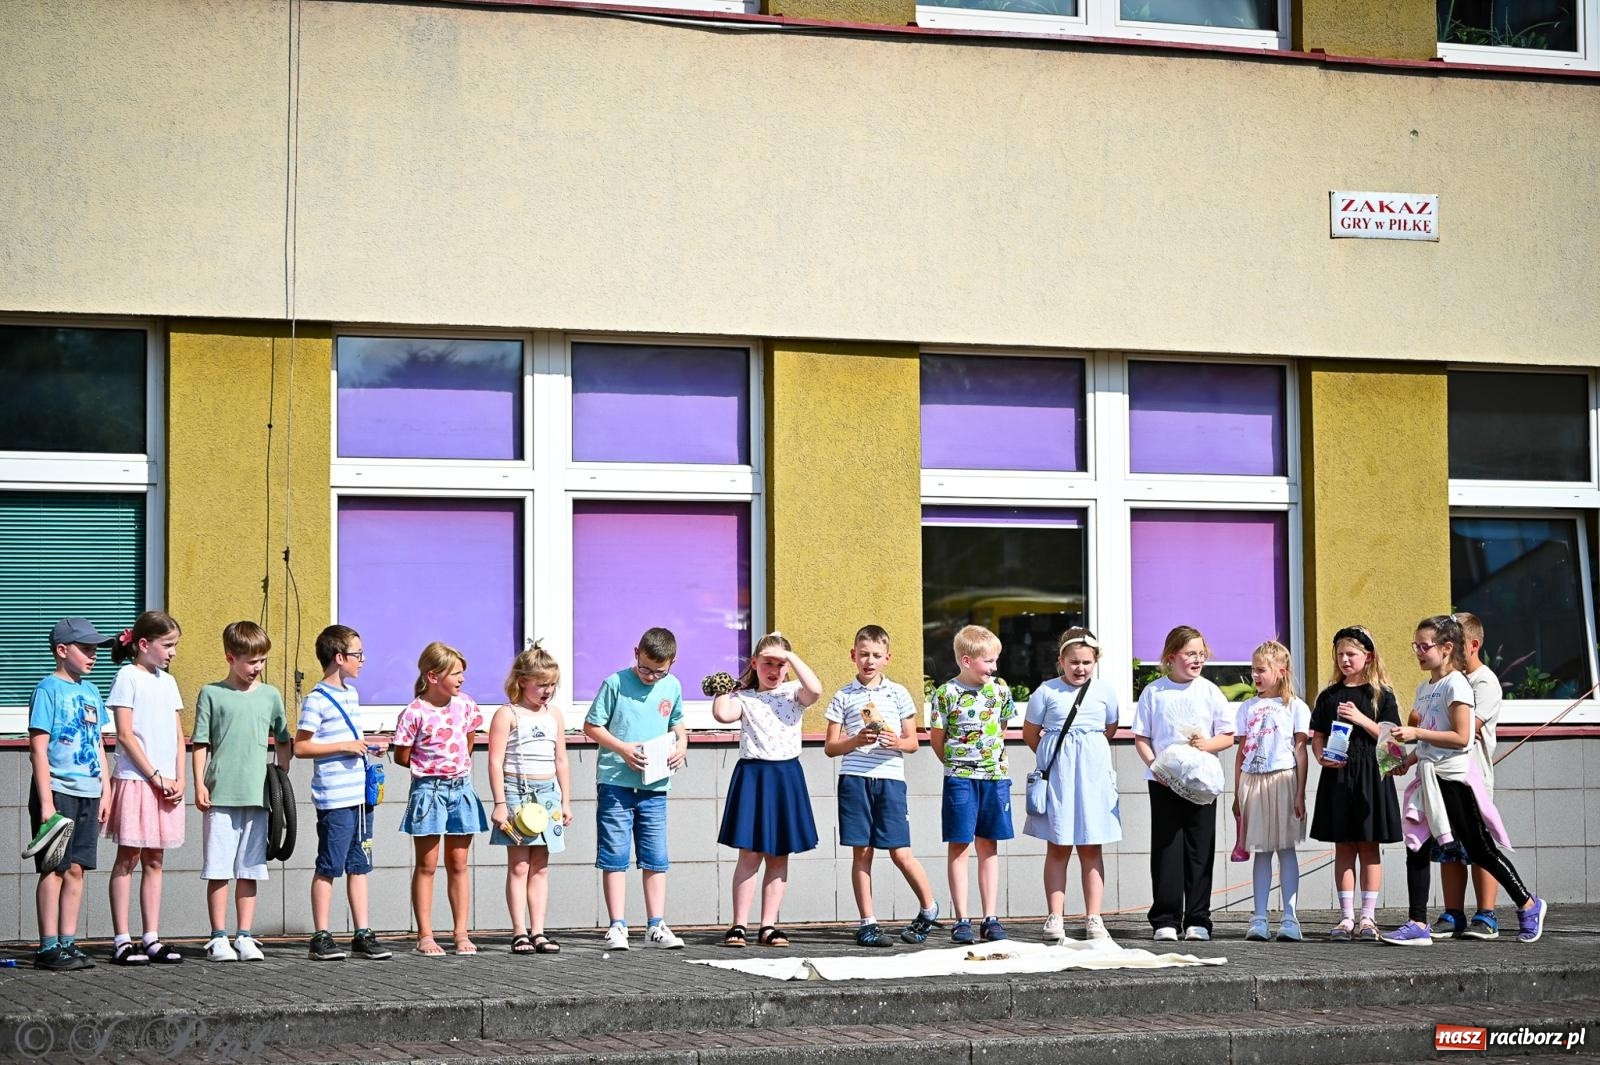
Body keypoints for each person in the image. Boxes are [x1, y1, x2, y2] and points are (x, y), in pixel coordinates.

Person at [1381, 615, 1546, 946]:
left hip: (1455, 779)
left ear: (1446, 648)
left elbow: (1462, 737)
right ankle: (1417, 922)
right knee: (1417, 846)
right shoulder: (1424, 688)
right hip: (1428, 780)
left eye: (1424, 646)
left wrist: (1415, 732)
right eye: (1416, 645)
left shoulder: (1458, 685)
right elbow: (1428, 741)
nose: (1418, 652)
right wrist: (1404, 761)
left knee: (1480, 849)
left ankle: (1529, 904)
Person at [822, 624, 941, 948]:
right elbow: (830, 746)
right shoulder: (843, 696)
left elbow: (913, 743)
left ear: (887, 658)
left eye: (876, 655)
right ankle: (868, 922)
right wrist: (856, 739)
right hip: (855, 780)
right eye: (863, 654)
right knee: (862, 851)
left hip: (889, 780)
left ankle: (929, 908)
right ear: (853, 656)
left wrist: (896, 742)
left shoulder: (899, 693)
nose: (869, 661)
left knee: (900, 852)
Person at [712, 632, 823, 949]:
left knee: (778, 855)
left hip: (785, 775)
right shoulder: (745, 697)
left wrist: (792, 658)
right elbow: (723, 714)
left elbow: (816, 689)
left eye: (780, 664)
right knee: (749, 854)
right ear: (755, 664)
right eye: (767, 664)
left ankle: (769, 926)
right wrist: (725, 688)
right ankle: (739, 925)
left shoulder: (793, 693)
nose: (773, 670)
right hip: (754, 775)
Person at [191, 621, 293, 962]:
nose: (257, 668)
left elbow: (282, 736)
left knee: (250, 869)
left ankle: (245, 935)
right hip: (221, 794)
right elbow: (201, 742)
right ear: (230, 657)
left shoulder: (270, 695)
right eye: (251, 662)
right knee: (219, 868)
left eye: (262, 661)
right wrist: (199, 783)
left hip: (258, 796)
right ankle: (219, 937)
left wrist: (283, 777)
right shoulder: (211, 693)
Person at [583, 626, 690, 950]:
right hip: (616, 782)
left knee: (656, 856)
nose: (650, 677)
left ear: (672, 663)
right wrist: (622, 749)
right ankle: (617, 926)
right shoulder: (615, 683)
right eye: (645, 668)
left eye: (659, 671)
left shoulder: (671, 686)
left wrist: (683, 744)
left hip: (655, 786)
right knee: (615, 854)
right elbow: (591, 725)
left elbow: (677, 723)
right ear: (635, 653)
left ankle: (656, 925)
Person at [1131, 624, 1234, 943]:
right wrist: (1155, 766)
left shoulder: (1209, 691)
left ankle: (1198, 919)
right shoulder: (1154, 692)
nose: (1198, 660)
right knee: (1166, 848)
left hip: (1201, 783)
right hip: (1163, 782)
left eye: (1202, 654)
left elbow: (1227, 736)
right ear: (1171, 656)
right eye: (1191, 654)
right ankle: (1165, 919)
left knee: (1200, 848)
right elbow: (1142, 737)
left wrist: (1207, 745)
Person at [295, 624, 392, 962]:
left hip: (359, 798)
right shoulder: (316, 700)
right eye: (357, 654)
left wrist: (366, 748)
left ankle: (362, 933)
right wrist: (344, 746)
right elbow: (301, 747)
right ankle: (321, 936)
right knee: (329, 865)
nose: (362, 661)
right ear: (339, 658)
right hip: (334, 798)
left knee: (359, 865)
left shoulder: (351, 695)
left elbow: (350, 742)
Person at [1022, 627, 1121, 944]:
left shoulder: (1105, 691)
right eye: (1074, 662)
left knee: (1092, 846)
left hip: (1092, 776)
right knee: (1058, 845)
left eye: (1087, 662)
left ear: (1095, 662)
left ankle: (1094, 917)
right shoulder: (1046, 692)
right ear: (1061, 661)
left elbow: (1110, 727)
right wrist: (1057, 757)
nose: (1080, 668)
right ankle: (1055, 916)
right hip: (1060, 777)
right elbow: (1030, 733)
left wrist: (1086, 753)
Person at [26, 618, 115, 971]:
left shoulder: (91, 691)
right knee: (54, 868)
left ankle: (68, 941)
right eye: (86, 649)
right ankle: (47, 947)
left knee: (77, 868)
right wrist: (46, 802)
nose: (93, 656)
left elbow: (97, 744)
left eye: (96, 649)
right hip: (58, 791)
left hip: (89, 792)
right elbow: (38, 747)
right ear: (62, 651)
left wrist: (106, 791)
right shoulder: (47, 689)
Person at [394, 641, 489, 956]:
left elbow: (470, 738)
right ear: (433, 676)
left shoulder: (465, 705)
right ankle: (425, 935)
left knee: (459, 863)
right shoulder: (414, 712)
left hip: (460, 788)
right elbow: (402, 755)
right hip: (428, 791)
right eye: (455, 674)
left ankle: (461, 933)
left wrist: (454, 766)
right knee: (427, 864)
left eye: (463, 673)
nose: (461, 680)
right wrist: (431, 767)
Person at [1308, 625, 1401, 942]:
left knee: (1369, 844)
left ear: (1368, 656)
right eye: (1340, 654)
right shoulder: (1330, 695)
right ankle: (1346, 917)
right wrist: (1321, 757)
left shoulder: (1381, 695)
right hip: (1339, 775)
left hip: (1371, 775)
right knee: (1344, 846)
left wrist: (1362, 719)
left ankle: (1368, 918)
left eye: (1352, 654)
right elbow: (1317, 735)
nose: (1345, 659)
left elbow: (1393, 743)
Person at [105, 610, 186, 965]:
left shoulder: (168, 682)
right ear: (143, 644)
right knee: (129, 856)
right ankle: (122, 939)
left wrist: (181, 778)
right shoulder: (127, 677)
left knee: (155, 858)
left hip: (166, 783)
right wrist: (155, 775)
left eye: (175, 646)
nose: (172, 653)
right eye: (167, 645)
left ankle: (151, 937)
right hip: (138, 780)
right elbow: (125, 734)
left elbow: (178, 736)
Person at [930, 624, 1015, 944]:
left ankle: (990, 916)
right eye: (988, 662)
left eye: (995, 661)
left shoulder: (1000, 690)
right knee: (959, 845)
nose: (994, 668)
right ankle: (961, 918)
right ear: (966, 660)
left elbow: (1001, 728)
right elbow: (937, 738)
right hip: (960, 779)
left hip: (994, 777)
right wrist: (956, 765)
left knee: (989, 845)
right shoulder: (946, 693)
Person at [487, 641, 573, 955]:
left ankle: (539, 930)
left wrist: (565, 801)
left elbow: (561, 760)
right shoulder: (507, 714)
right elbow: (494, 761)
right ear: (522, 681)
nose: (547, 691)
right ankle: (519, 931)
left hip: (547, 795)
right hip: (515, 793)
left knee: (541, 866)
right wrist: (499, 804)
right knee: (519, 866)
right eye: (541, 685)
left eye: (552, 685)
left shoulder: (555, 716)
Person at [1431, 611, 1503, 940]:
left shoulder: (1484, 682)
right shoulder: (1445, 682)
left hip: (1472, 778)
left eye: (1453, 642)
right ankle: (1453, 912)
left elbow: (1464, 729)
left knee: (1478, 846)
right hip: (1444, 775)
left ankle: (1486, 914)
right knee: (1449, 844)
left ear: (1471, 645)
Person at [1232, 640, 1310, 942]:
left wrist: (1300, 792)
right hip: (1253, 780)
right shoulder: (1247, 707)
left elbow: (1301, 750)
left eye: (1261, 670)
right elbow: (1241, 752)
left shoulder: (1295, 707)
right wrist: (1237, 793)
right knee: (1261, 851)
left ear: (1281, 671)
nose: (1255, 675)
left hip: (1284, 779)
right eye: (1253, 670)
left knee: (1286, 848)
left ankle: (1290, 917)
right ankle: (1260, 916)